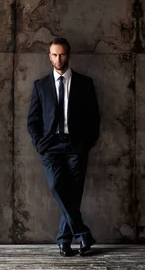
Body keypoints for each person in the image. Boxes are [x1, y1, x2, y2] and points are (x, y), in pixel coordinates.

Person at [27, 37, 100, 257]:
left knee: (73, 196)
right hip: (51, 147)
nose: (59, 59)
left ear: (69, 55)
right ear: (49, 56)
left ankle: (63, 241)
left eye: (62, 54)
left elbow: (94, 118)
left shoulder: (85, 83)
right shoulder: (40, 86)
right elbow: (32, 121)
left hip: (76, 146)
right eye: (54, 55)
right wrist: (40, 145)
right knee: (58, 186)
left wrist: (86, 144)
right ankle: (83, 234)